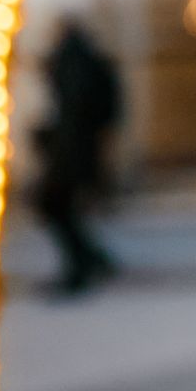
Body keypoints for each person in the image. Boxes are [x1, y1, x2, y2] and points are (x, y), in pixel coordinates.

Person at [34, 15, 123, 295]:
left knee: (55, 206)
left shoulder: (72, 62)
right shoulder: (86, 58)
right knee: (63, 209)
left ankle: (82, 266)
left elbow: (74, 109)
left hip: (71, 151)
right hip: (78, 149)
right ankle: (91, 260)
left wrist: (58, 147)